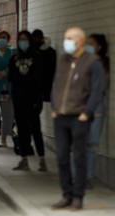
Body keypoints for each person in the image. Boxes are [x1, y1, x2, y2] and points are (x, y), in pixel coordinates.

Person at [51, 27, 103, 210]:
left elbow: (97, 90)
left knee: (79, 157)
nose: (67, 42)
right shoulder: (63, 60)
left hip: (79, 117)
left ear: (80, 41)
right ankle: (66, 194)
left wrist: (86, 113)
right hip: (61, 116)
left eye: (70, 39)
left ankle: (78, 197)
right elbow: (56, 84)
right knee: (62, 158)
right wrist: (54, 108)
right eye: (66, 38)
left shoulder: (92, 62)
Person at [8, 30, 46, 171]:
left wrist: (22, 81)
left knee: (35, 128)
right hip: (18, 99)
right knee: (22, 130)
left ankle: (42, 159)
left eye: (25, 39)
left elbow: (36, 78)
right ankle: (23, 159)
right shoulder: (14, 59)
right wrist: (23, 81)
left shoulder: (36, 57)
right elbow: (11, 76)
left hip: (33, 99)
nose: (23, 42)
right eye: (21, 39)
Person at [84, 33, 109, 189]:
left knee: (91, 144)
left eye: (91, 44)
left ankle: (88, 177)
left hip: (96, 109)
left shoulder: (103, 64)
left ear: (99, 47)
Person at [32, 29, 56, 102]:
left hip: (45, 80)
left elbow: (53, 68)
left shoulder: (33, 50)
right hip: (44, 80)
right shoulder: (51, 51)